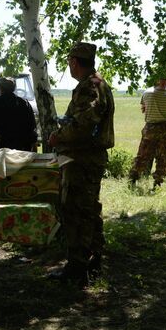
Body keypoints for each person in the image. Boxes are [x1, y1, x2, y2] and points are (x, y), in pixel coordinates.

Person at [47, 42, 115, 286]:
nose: (69, 66)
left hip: (82, 159)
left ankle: (78, 268)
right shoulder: (95, 84)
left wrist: (59, 136)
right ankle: (93, 262)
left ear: (75, 62)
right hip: (86, 158)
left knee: (76, 211)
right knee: (88, 210)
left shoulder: (90, 87)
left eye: (69, 62)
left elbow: (85, 124)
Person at [128, 75, 166, 187]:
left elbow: (143, 109)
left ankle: (133, 179)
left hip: (151, 127)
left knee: (143, 155)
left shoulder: (147, 93)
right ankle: (158, 182)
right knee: (163, 157)